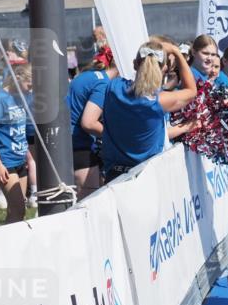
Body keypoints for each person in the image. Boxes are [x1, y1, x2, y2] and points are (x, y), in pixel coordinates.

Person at [81, 39, 196, 182]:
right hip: (145, 178)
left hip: (114, 177)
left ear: (135, 64)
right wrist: (176, 52)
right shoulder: (160, 101)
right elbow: (191, 91)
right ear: (165, 69)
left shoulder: (113, 87)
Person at [0, 66, 32, 225]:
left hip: (20, 161)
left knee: (18, 210)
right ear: (18, 78)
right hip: (6, 162)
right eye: (29, 86)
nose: (30, 90)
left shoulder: (21, 97)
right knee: (18, 210)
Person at [66, 59, 118, 199]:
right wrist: (117, 137)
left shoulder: (90, 75)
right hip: (78, 145)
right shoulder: (103, 84)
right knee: (88, 201)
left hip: (68, 142)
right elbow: (89, 123)